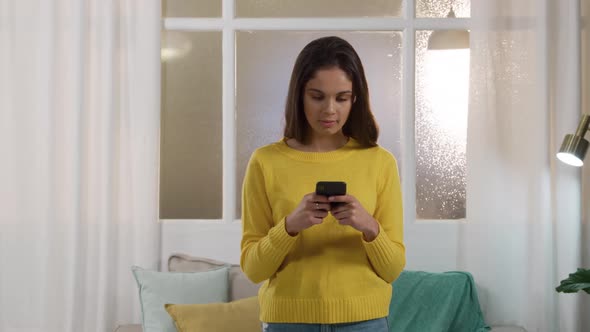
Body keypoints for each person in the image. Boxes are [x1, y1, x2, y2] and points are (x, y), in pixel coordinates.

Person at [240, 36, 405, 332]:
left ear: (355, 99)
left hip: (364, 322)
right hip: (287, 323)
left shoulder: (380, 162)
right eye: (317, 96)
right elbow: (253, 269)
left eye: (342, 97)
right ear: (299, 95)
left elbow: (392, 269)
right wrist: (290, 226)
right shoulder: (265, 162)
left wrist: (369, 226)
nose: (330, 110)